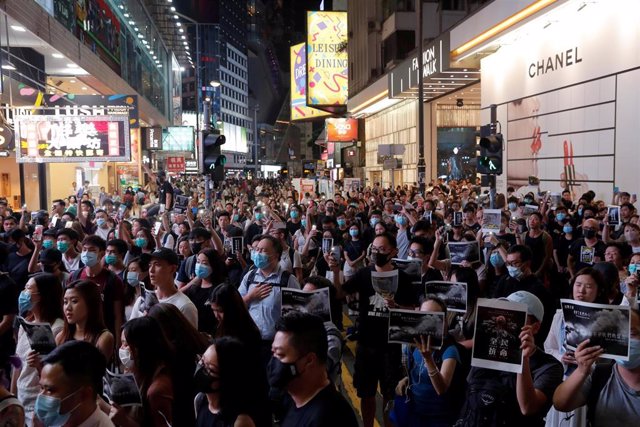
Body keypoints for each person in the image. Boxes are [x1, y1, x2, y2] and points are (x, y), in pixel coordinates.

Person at [329, 232, 419, 427]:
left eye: (382, 249)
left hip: (391, 345)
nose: (377, 252)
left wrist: (397, 307)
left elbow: (414, 309)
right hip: (366, 343)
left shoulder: (402, 278)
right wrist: (336, 272)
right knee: (366, 393)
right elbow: (338, 293)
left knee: (390, 395)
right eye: (375, 248)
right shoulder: (364, 274)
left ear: (393, 251)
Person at [455, 291, 564, 427]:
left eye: (515, 315)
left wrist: (523, 359)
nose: (505, 320)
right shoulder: (486, 350)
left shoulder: (549, 366)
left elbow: (528, 407)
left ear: (535, 327)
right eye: (503, 312)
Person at [552, 308, 640, 426]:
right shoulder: (599, 376)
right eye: (618, 335)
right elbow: (560, 404)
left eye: (632, 334)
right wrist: (581, 371)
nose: (625, 341)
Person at [269, 312, 359, 427]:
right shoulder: (292, 397)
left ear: (309, 360)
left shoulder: (331, 418)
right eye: (273, 352)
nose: (274, 362)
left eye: (280, 354)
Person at [544, 268, 607, 427]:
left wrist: (597, 359)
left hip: (588, 381)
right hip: (563, 378)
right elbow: (549, 347)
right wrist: (561, 357)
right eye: (578, 285)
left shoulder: (606, 319)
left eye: (589, 286)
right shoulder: (560, 315)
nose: (581, 290)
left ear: (598, 291)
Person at [393, 297, 467, 427]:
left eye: (433, 317)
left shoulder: (449, 350)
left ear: (444, 322)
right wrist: (406, 379)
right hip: (415, 412)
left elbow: (441, 388)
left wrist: (428, 359)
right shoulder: (413, 345)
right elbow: (415, 371)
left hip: (439, 419)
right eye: (423, 316)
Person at [238, 235, 300, 365]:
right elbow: (235, 306)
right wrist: (250, 297)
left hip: (275, 345)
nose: (258, 253)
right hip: (250, 341)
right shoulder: (250, 277)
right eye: (257, 250)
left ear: (276, 255)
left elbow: (297, 315)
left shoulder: (287, 280)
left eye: (263, 250)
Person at [12, 273, 65, 426]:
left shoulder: (57, 329)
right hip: (22, 397)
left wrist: (38, 365)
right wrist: (13, 395)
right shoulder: (26, 324)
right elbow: (18, 363)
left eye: (28, 289)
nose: (23, 293)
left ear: (42, 296)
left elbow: (56, 373)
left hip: (40, 403)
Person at [109, 317, 174, 426]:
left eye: (125, 344)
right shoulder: (134, 371)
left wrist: (124, 421)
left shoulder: (157, 390)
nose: (121, 348)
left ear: (139, 349)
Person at [194, 337, 271, 427]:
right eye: (202, 360)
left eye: (210, 369)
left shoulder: (240, 421)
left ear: (227, 379)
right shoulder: (200, 400)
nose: (201, 368)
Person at [36, 340, 112, 426]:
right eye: (41, 388)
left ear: (84, 394)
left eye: (50, 390)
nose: (41, 396)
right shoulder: (59, 422)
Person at [69, 235, 124, 347]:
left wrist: (118, 340)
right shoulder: (75, 276)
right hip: (77, 333)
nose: (87, 253)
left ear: (102, 253)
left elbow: (117, 314)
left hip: (102, 334)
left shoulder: (113, 280)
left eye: (92, 250)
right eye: (84, 250)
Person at [56, 280, 114, 363]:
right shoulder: (61, 337)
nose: (68, 308)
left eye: (74, 301)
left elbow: (95, 373)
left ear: (90, 303)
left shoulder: (103, 338)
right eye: (65, 302)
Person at [146, 248, 198, 328]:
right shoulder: (145, 299)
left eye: (157, 264)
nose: (151, 270)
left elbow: (189, 339)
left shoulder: (185, 306)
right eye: (150, 265)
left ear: (173, 268)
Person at [208, 284, 262, 354]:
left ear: (232, 309)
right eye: (214, 310)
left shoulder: (249, 333)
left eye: (220, 311)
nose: (216, 315)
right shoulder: (219, 325)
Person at [184, 248, 226, 334]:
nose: (199, 266)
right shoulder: (193, 289)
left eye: (204, 263)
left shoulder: (220, 289)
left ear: (213, 266)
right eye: (198, 262)